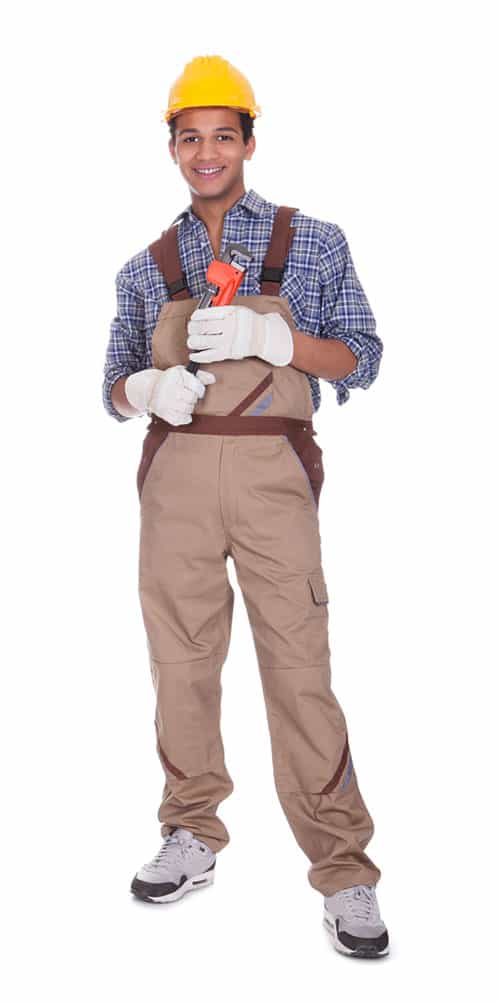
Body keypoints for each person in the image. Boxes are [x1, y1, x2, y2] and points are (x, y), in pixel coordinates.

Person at [102, 54, 389, 959]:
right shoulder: (147, 266)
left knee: (299, 670)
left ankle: (343, 870)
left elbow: (364, 355)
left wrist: (278, 338)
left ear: (249, 143)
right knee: (180, 666)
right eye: (190, 138)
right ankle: (191, 831)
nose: (207, 152)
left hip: (272, 479)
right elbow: (110, 385)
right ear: (172, 149)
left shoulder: (315, 242)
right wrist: (146, 389)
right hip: (175, 483)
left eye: (223, 135)